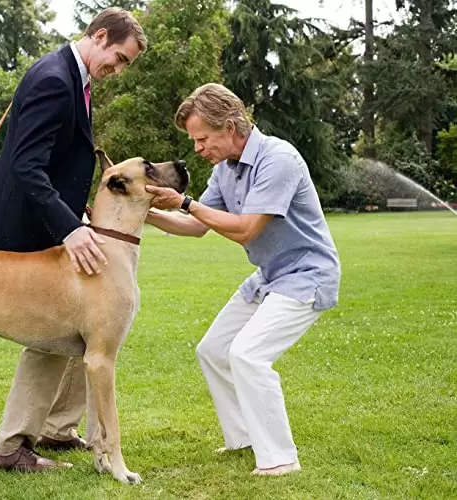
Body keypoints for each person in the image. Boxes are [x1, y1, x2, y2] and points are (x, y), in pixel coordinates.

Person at [0, 8, 147, 473]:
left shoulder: (73, 76)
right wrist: (70, 228)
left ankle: (58, 428)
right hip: (29, 228)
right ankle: (10, 446)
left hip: (53, 220)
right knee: (48, 335)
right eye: (119, 58)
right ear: (100, 35)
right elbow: (28, 165)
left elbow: (56, 162)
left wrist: (79, 214)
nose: (118, 69)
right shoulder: (54, 77)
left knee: (86, 322)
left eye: (125, 64)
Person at [145, 83, 341, 476]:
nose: (198, 149)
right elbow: (196, 226)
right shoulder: (224, 170)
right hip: (268, 277)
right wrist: (138, 211)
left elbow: (246, 229)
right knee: (214, 350)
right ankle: (244, 438)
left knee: (248, 355)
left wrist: (184, 200)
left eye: (202, 138)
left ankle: (281, 459)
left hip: (306, 276)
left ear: (231, 126)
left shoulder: (278, 159)